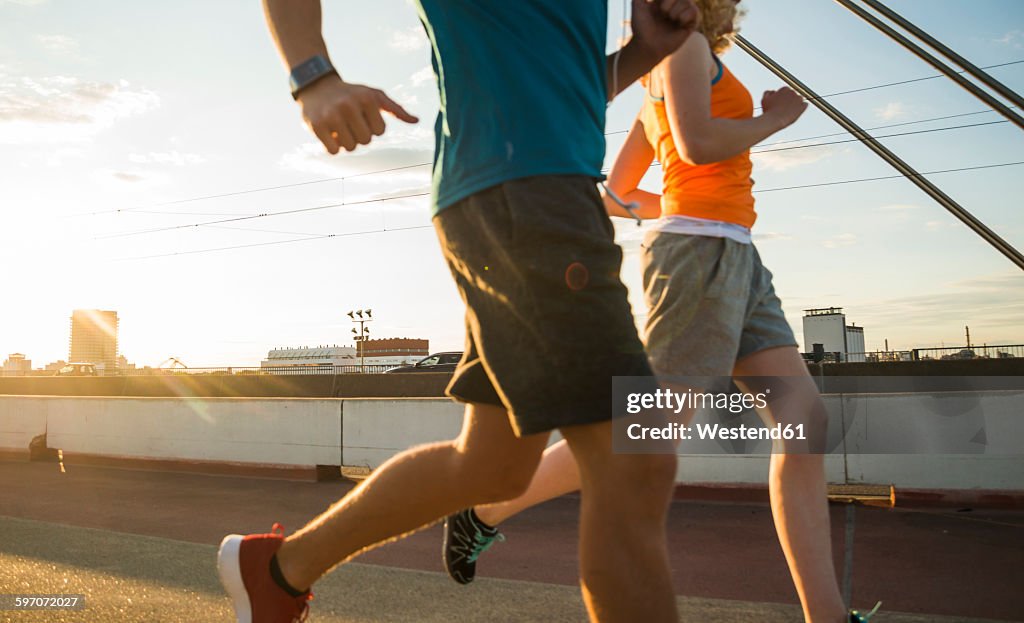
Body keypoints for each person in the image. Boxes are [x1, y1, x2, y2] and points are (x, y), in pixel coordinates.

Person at [217, 1, 700, 622]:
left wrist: (641, 53)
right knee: (637, 454)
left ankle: (277, 572)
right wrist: (313, 76)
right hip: (523, 193)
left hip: (537, 191)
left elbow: (553, 83)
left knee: (493, 466)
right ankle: (277, 574)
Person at [442, 1, 878, 622]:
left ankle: (827, 617)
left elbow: (619, 196)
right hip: (702, 254)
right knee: (648, 426)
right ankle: (482, 509)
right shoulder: (688, 48)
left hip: (731, 253)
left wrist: (671, 209)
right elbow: (699, 145)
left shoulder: (662, 73)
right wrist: (772, 121)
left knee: (801, 418)